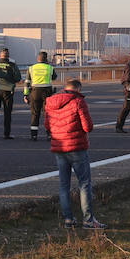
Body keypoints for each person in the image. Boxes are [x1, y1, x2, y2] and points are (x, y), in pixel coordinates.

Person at [47, 79, 104, 229]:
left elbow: (47, 125)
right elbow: (88, 126)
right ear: (78, 89)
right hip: (77, 147)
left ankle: (68, 219)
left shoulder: (51, 102)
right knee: (84, 184)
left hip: (59, 147)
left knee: (63, 185)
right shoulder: (78, 101)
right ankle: (88, 220)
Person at [25, 51, 57, 141]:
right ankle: (49, 135)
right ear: (46, 59)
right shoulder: (50, 68)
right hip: (47, 92)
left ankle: (34, 135)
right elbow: (54, 77)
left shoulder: (31, 68)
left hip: (35, 92)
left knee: (35, 114)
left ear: (37, 59)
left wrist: (25, 94)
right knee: (47, 114)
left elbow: (27, 82)